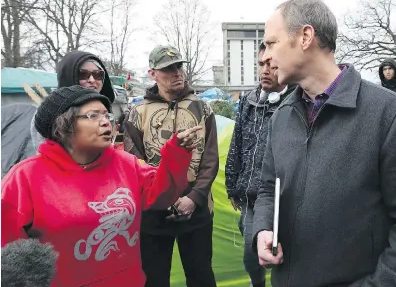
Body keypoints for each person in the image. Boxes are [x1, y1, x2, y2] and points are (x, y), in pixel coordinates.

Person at [253, 0, 396, 286]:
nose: (264, 56)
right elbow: (268, 188)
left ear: (305, 37)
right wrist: (263, 228)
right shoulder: (282, 117)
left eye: (270, 43)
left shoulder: (393, 116)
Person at [1, 86, 200, 286]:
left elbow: (161, 196)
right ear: (63, 125)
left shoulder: (125, 164)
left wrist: (176, 154)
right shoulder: (24, 178)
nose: (106, 122)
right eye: (92, 116)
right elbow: (9, 255)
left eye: (106, 115)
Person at [123, 45, 219, 287]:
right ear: (153, 73)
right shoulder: (138, 113)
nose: (177, 72)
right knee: (154, 279)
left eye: (179, 66)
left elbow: (210, 159)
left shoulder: (202, 108)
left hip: (196, 210)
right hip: (154, 213)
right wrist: (160, 197)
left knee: (201, 277)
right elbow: (134, 161)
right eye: (168, 68)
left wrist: (194, 197)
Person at [225, 42, 295, 287]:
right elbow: (237, 143)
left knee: (286, 254)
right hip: (251, 195)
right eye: (261, 65)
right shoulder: (248, 101)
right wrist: (232, 186)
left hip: (286, 196)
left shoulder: (295, 102)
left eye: (271, 65)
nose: (265, 70)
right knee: (250, 253)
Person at [31, 51, 116, 151]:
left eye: (98, 74)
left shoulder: (105, 108)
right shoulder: (50, 112)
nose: (92, 80)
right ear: (68, 76)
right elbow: (44, 152)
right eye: (83, 74)